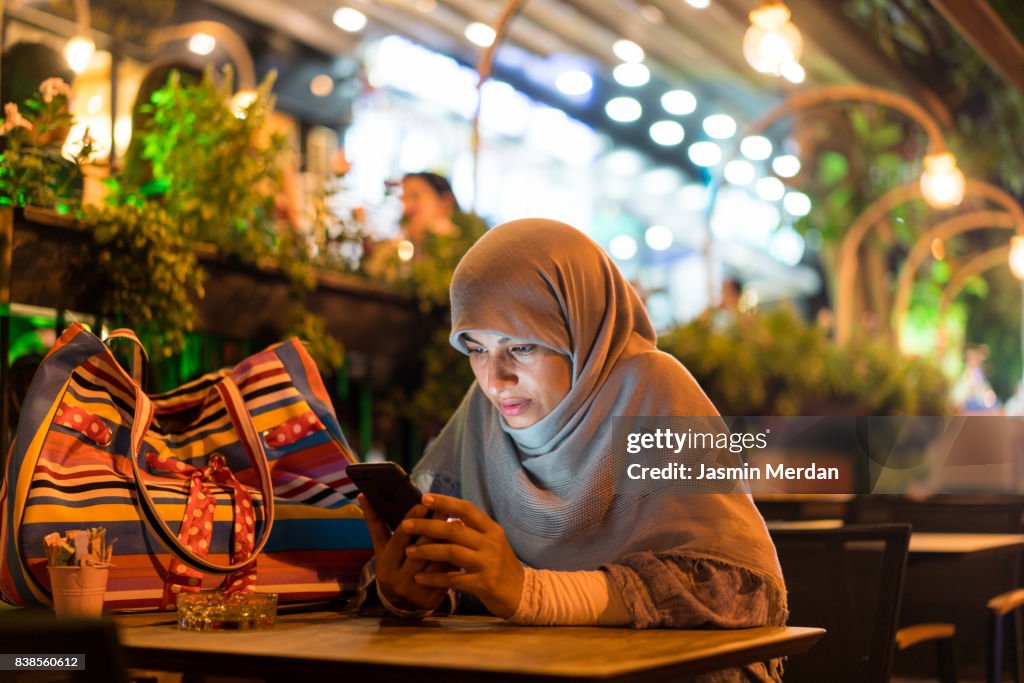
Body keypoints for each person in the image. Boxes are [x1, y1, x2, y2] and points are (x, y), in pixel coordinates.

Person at [358, 219, 787, 682]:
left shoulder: (653, 391)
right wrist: (415, 591)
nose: (494, 380)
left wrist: (532, 593)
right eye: (476, 349)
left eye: (521, 346)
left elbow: (738, 590)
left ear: (580, 329)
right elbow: (460, 572)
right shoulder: (485, 414)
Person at [362, 172, 486, 310]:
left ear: (446, 203)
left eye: (415, 196)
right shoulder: (395, 253)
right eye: (403, 199)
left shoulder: (463, 260)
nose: (406, 208)